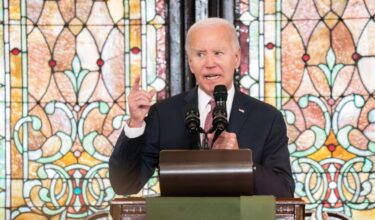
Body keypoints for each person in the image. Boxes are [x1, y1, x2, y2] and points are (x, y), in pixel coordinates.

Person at [109, 18, 294, 197]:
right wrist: (135, 123)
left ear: (236, 58)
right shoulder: (163, 115)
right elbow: (124, 184)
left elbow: (283, 190)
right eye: (200, 54)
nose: (209, 63)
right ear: (191, 63)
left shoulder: (267, 118)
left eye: (218, 53)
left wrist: (242, 162)